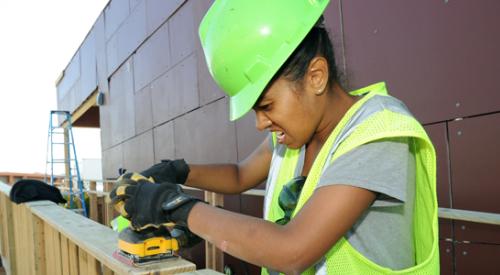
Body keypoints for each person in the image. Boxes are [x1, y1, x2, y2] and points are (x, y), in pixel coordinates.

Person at [109, 0, 440, 274]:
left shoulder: (378, 134)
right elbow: (240, 175)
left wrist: (174, 206)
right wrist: (179, 171)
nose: (260, 123)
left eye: (266, 106)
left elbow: (292, 250)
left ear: (316, 77)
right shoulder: (297, 136)